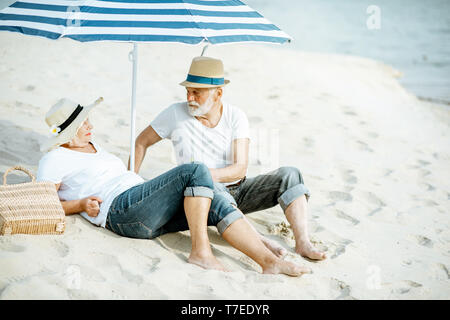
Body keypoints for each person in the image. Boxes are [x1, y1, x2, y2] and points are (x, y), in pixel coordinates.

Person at [36, 96, 310, 276]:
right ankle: (200, 253)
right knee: (195, 171)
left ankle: (267, 260)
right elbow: (44, 204)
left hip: (142, 207)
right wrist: (81, 205)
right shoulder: (55, 159)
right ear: (68, 133)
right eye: (83, 123)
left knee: (212, 193)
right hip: (121, 212)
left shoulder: (93, 146)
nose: (90, 126)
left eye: (88, 120)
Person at [133, 56, 327, 261]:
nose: (189, 98)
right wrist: (130, 181)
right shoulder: (174, 113)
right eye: (188, 91)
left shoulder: (235, 116)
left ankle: (303, 242)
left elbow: (240, 169)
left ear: (218, 94)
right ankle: (259, 240)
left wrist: (204, 174)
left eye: (196, 93)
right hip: (200, 198)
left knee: (290, 174)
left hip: (239, 190)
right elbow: (140, 142)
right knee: (210, 184)